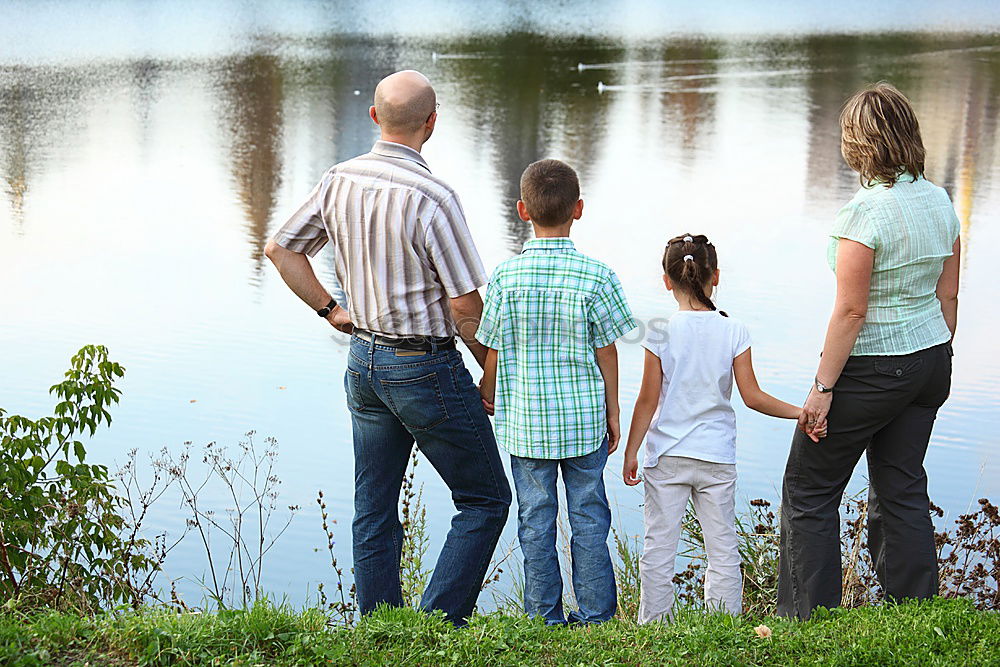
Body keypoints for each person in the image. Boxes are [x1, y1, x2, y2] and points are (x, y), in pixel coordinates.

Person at [264, 70, 511, 626]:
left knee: (373, 506)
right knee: (486, 500)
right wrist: (490, 374)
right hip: (423, 366)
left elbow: (280, 250)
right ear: (432, 122)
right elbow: (466, 306)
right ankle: (434, 625)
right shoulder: (434, 198)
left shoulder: (338, 180)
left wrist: (332, 311)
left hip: (364, 362)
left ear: (374, 117)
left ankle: (381, 628)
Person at [778, 82, 961, 619]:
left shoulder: (864, 214)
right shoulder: (940, 199)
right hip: (931, 359)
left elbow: (851, 313)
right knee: (901, 485)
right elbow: (948, 294)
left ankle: (807, 622)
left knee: (809, 490)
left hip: (874, 368)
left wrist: (822, 389)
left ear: (858, 144)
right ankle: (915, 614)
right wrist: (933, 352)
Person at [477, 159, 637, 625]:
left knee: (535, 521)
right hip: (583, 422)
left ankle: (544, 616)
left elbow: (493, 347)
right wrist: (614, 411)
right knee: (589, 519)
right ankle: (596, 617)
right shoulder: (598, 276)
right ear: (579, 209)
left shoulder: (506, 277)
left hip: (526, 426)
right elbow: (607, 350)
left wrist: (489, 393)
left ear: (523, 210)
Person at [622, 234, 809, 623]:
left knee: (659, 548)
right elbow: (753, 396)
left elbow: (647, 400)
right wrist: (801, 411)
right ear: (716, 276)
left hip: (667, 456)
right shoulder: (734, 330)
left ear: (666, 281)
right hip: (716, 457)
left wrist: (631, 451)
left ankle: (653, 625)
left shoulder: (658, 330)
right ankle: (723, 624)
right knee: (722, 547)